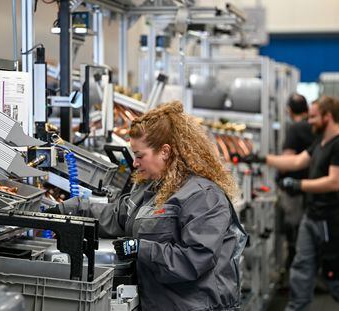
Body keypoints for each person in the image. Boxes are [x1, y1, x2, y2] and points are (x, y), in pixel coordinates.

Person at [47, 101, 247, 311]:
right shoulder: (152, 188)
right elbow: (117, 216)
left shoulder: (203, 196)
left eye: (140, 155)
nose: (134, 163)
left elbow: (193, 260)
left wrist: (140, 248)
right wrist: (70, 210)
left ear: (165, 151)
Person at [242, 95, 339, 310]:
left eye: (313, 117)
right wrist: (261, 158)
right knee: (301, 268)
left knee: (333, 276)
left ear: (328, 116)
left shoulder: (337, 144)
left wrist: (299, 185)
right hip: (311, 216)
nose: (309, 121)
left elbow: (334, 182)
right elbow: (296, 161)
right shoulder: (320, 141)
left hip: (328, 221)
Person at [277, 93, 315, 269]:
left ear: (289, 110)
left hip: (294, 190)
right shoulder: (313, 128)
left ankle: (294, 271)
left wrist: (269, 161)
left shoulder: (295, 129)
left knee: (295, 234)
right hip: (309, 190)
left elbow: (287, 162)